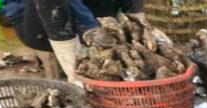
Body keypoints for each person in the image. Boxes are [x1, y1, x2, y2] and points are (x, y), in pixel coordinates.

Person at [13, 0, 145, 83]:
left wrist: (139, 35)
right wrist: (76, 75)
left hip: (96, 14)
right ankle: (74, 74)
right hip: (39, 22)